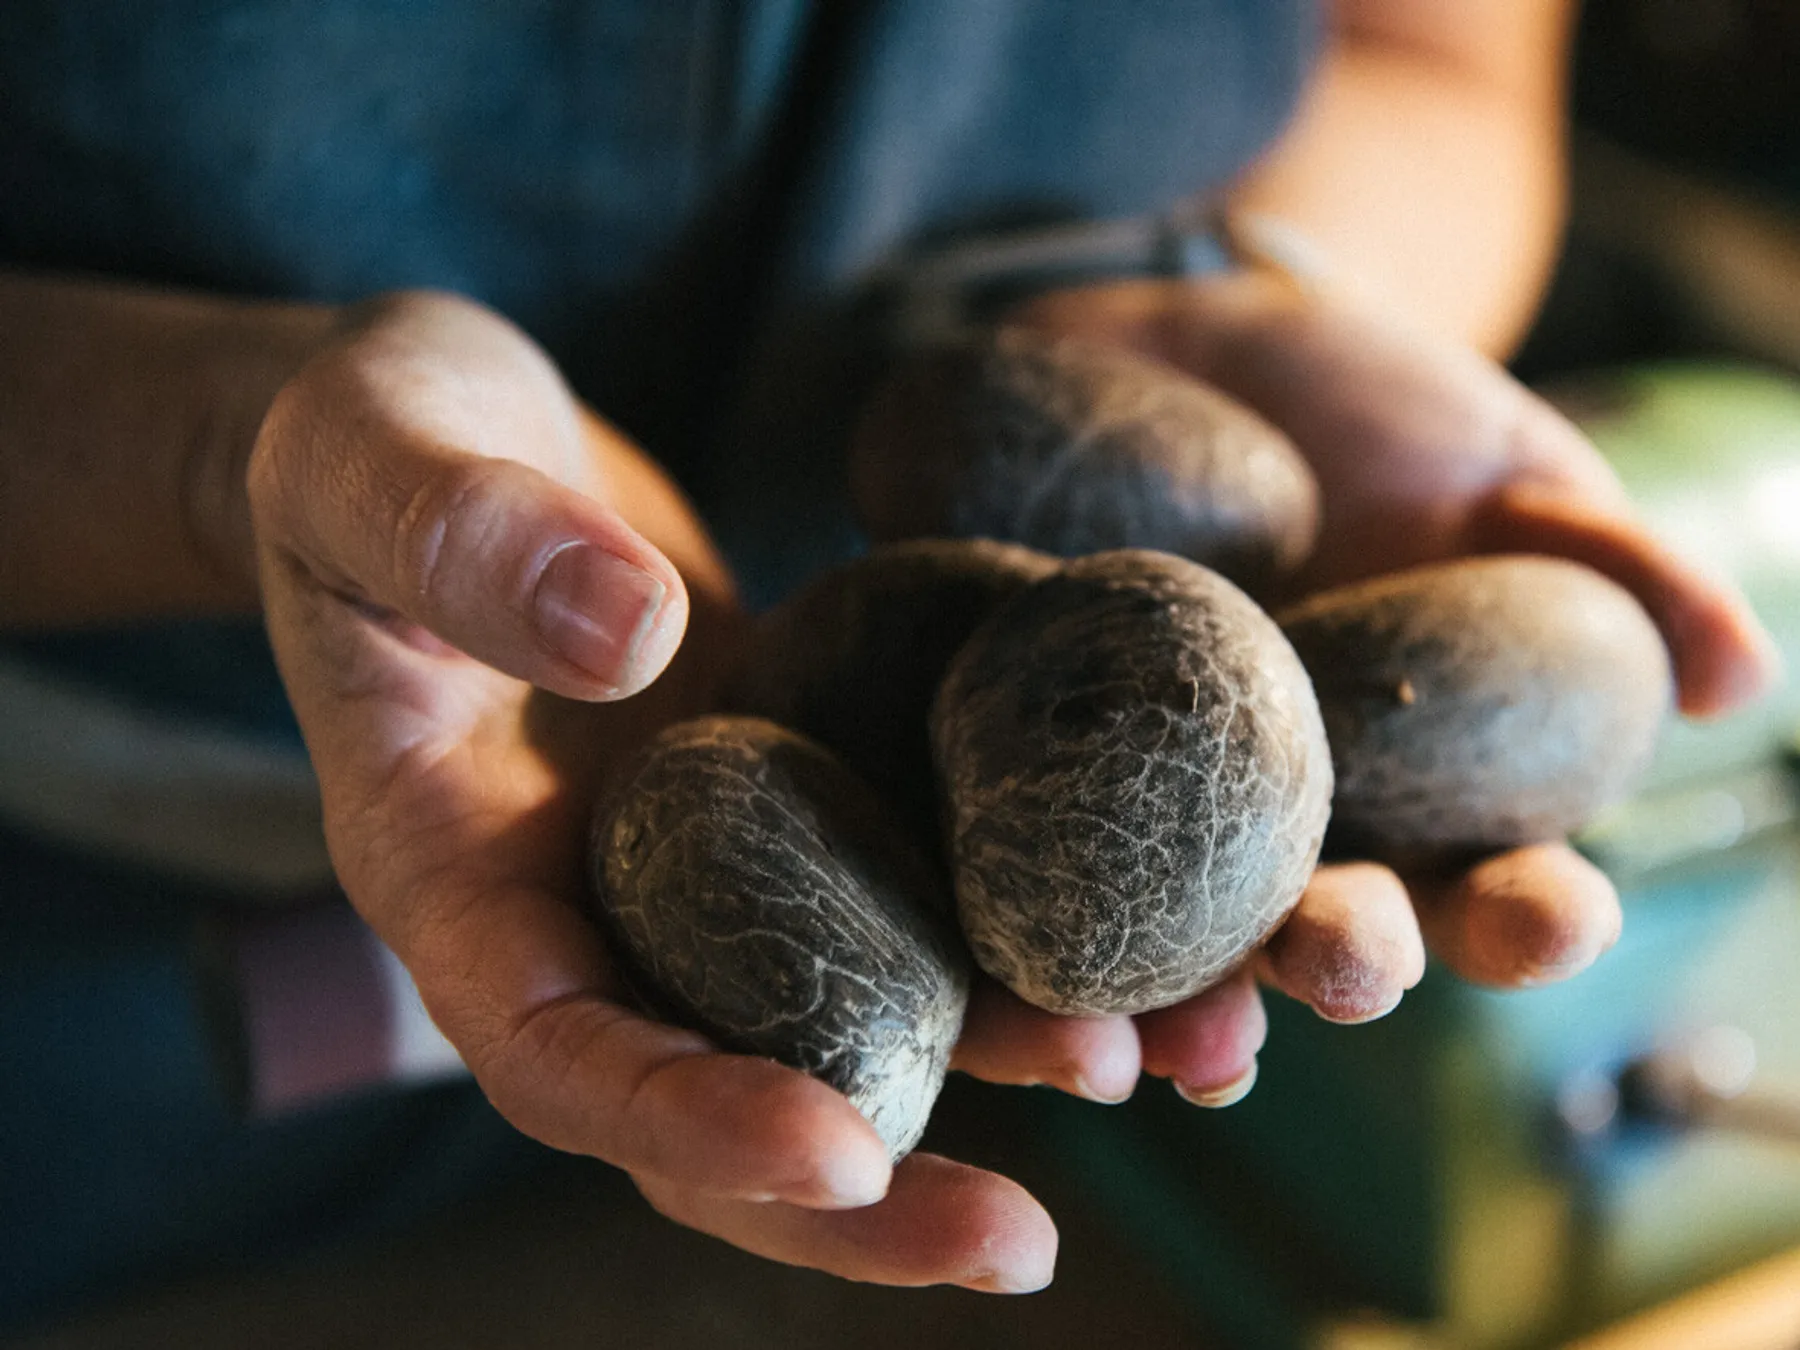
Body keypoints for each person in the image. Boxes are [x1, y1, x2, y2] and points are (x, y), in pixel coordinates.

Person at [0, 0, 1778, 1305]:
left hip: (926, 1063)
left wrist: (1254, 284)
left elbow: (1444, 57)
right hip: (109, 989)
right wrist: (216, 446)